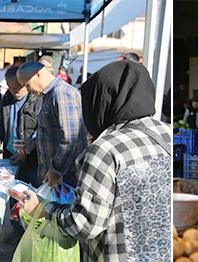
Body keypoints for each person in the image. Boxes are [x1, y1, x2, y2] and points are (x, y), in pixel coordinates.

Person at [20, 60, 172, 261]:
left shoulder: (105, 149)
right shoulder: (167, 133)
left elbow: (83, 224)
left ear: (103, 100)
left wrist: (43, 208)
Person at [0, 66, 42, 241]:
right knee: (14, 196)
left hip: (32, 161)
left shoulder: (37, 100)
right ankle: (17, 229)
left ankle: (34, 233)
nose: (14, 92)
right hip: (11, 157)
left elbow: (42, 130)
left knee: (33, 196)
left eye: (17, 88)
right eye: (10, 88)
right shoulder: (7, 98)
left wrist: (27, 150)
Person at [17, 62, 88, 187]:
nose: (28, 90)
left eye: (27, 85)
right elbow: (54, 131)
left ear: (37, 75)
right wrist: (35, 143)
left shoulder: (61, 93)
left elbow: (69, 137)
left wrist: (56, 170)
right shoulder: (51, 94)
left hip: (66, 174)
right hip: (58, 173)